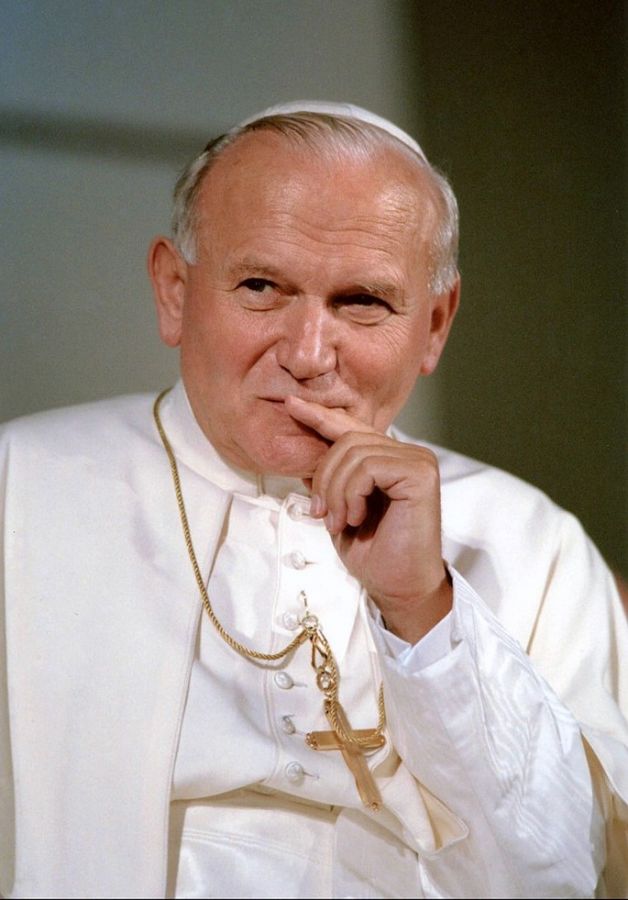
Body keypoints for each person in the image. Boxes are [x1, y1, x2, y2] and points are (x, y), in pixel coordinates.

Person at [0, 100, 626, 900]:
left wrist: (422, 608)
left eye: (362, 301)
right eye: (261, 286)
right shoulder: (20, 487)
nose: (306, 354)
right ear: (174, 291)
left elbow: (563, 879)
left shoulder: (532, 540)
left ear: (436, 325)